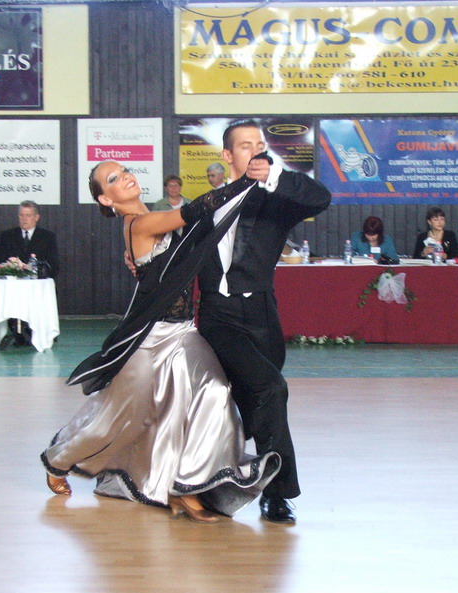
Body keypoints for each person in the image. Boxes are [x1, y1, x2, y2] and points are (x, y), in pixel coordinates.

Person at [42, 160, 281, 524]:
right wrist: (244, 181)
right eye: (113, 179)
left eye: (124, 170)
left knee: (215, 392)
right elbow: (195, 211)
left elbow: (186, 242)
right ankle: (57, 462)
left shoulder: (151, 219)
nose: (125, 176)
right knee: (120, 417)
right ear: (106, 199)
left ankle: (184, 485)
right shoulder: (139, 224)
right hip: (148, 339)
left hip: (183, 332)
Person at [196, 119, 331, 524]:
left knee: (258, 401)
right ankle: (277, 493)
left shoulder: (276, 199)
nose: (255, 150)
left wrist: (276, 177)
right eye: (245, 145)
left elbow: (320, 198)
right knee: (271, 389)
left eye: (259, 144)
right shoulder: (205, 204)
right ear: (227, 155)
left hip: (261, 317)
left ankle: (216, 479)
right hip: (218, 317)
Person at [0, 200, 59, 278]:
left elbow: (53, 265)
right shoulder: (7, 236)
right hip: (13, 282)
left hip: (37, 282)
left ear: (36, 217)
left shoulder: (47, 237)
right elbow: (0, 263)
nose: (24, 219)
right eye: (21, 215)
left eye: (28, 215)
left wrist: (31, 268)